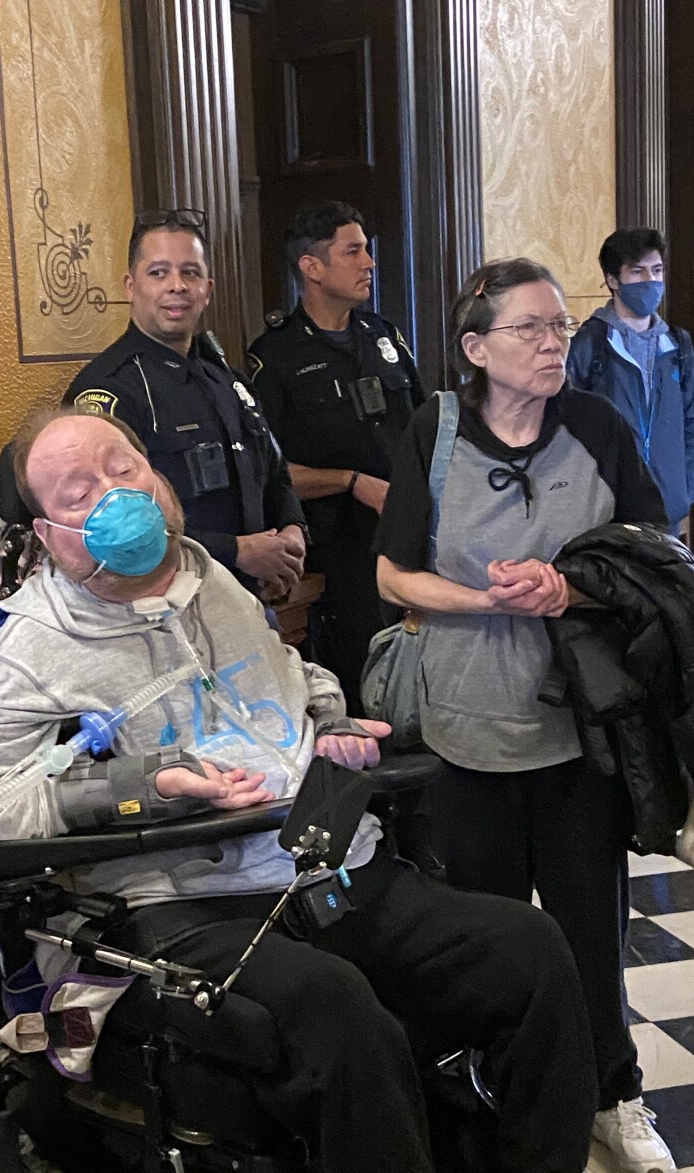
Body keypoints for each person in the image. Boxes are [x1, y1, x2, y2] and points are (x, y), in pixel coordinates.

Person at [0, 407, 600, 1173]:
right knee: (338, 1012)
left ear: (159, 481)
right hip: (178, 903)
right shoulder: (21, 651)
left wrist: (332, 720)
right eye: (77, 493)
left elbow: (289, 678)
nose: (114, 497)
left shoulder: (218, 586)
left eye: (123, 470)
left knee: (532, 951)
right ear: (47, 536)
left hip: (321, 865)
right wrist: (144, 785)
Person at [375, 257, 675, 1173]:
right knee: (488, 934)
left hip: (581, 729)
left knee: (591, 926)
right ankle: (497, 1098)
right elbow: (391, 574)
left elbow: (656, 552)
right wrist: (486, 600)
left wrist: (567, 585)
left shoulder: (597, 425)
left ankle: (613, 1095)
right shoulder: (433, 430)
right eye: (531, 330)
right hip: (465, 729)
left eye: (558, 326)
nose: (554, 344)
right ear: (478, 347)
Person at [54, 207, 306, 598]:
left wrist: (292, 531)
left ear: (208, 288)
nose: (177, 285)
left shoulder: (226, 378)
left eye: (190, 272)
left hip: (248, 600)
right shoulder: (111, 387)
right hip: (162, 605)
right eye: (158, 273)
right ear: (130, 287)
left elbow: (274, 473)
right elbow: (106, 525)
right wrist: (236, 551)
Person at [247, 201, 423, 710]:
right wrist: (351, 481)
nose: (369, 262)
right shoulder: (275, 356)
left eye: (366, 250)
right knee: (362, 676)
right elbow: (267, 473)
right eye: (353, 252)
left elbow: (424, 429)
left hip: (407, 536)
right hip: (337, 550)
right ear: (312, 267)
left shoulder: (386, 337)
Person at [567, 227, 694, 536]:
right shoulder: (590, 343)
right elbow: (566, 424)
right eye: (637, 272)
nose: (650, 281)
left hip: (669, 511)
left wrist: (685, 491)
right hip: (607, 511)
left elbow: (691, 422)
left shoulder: (678, 345)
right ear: (613, 280)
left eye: (657, 270)